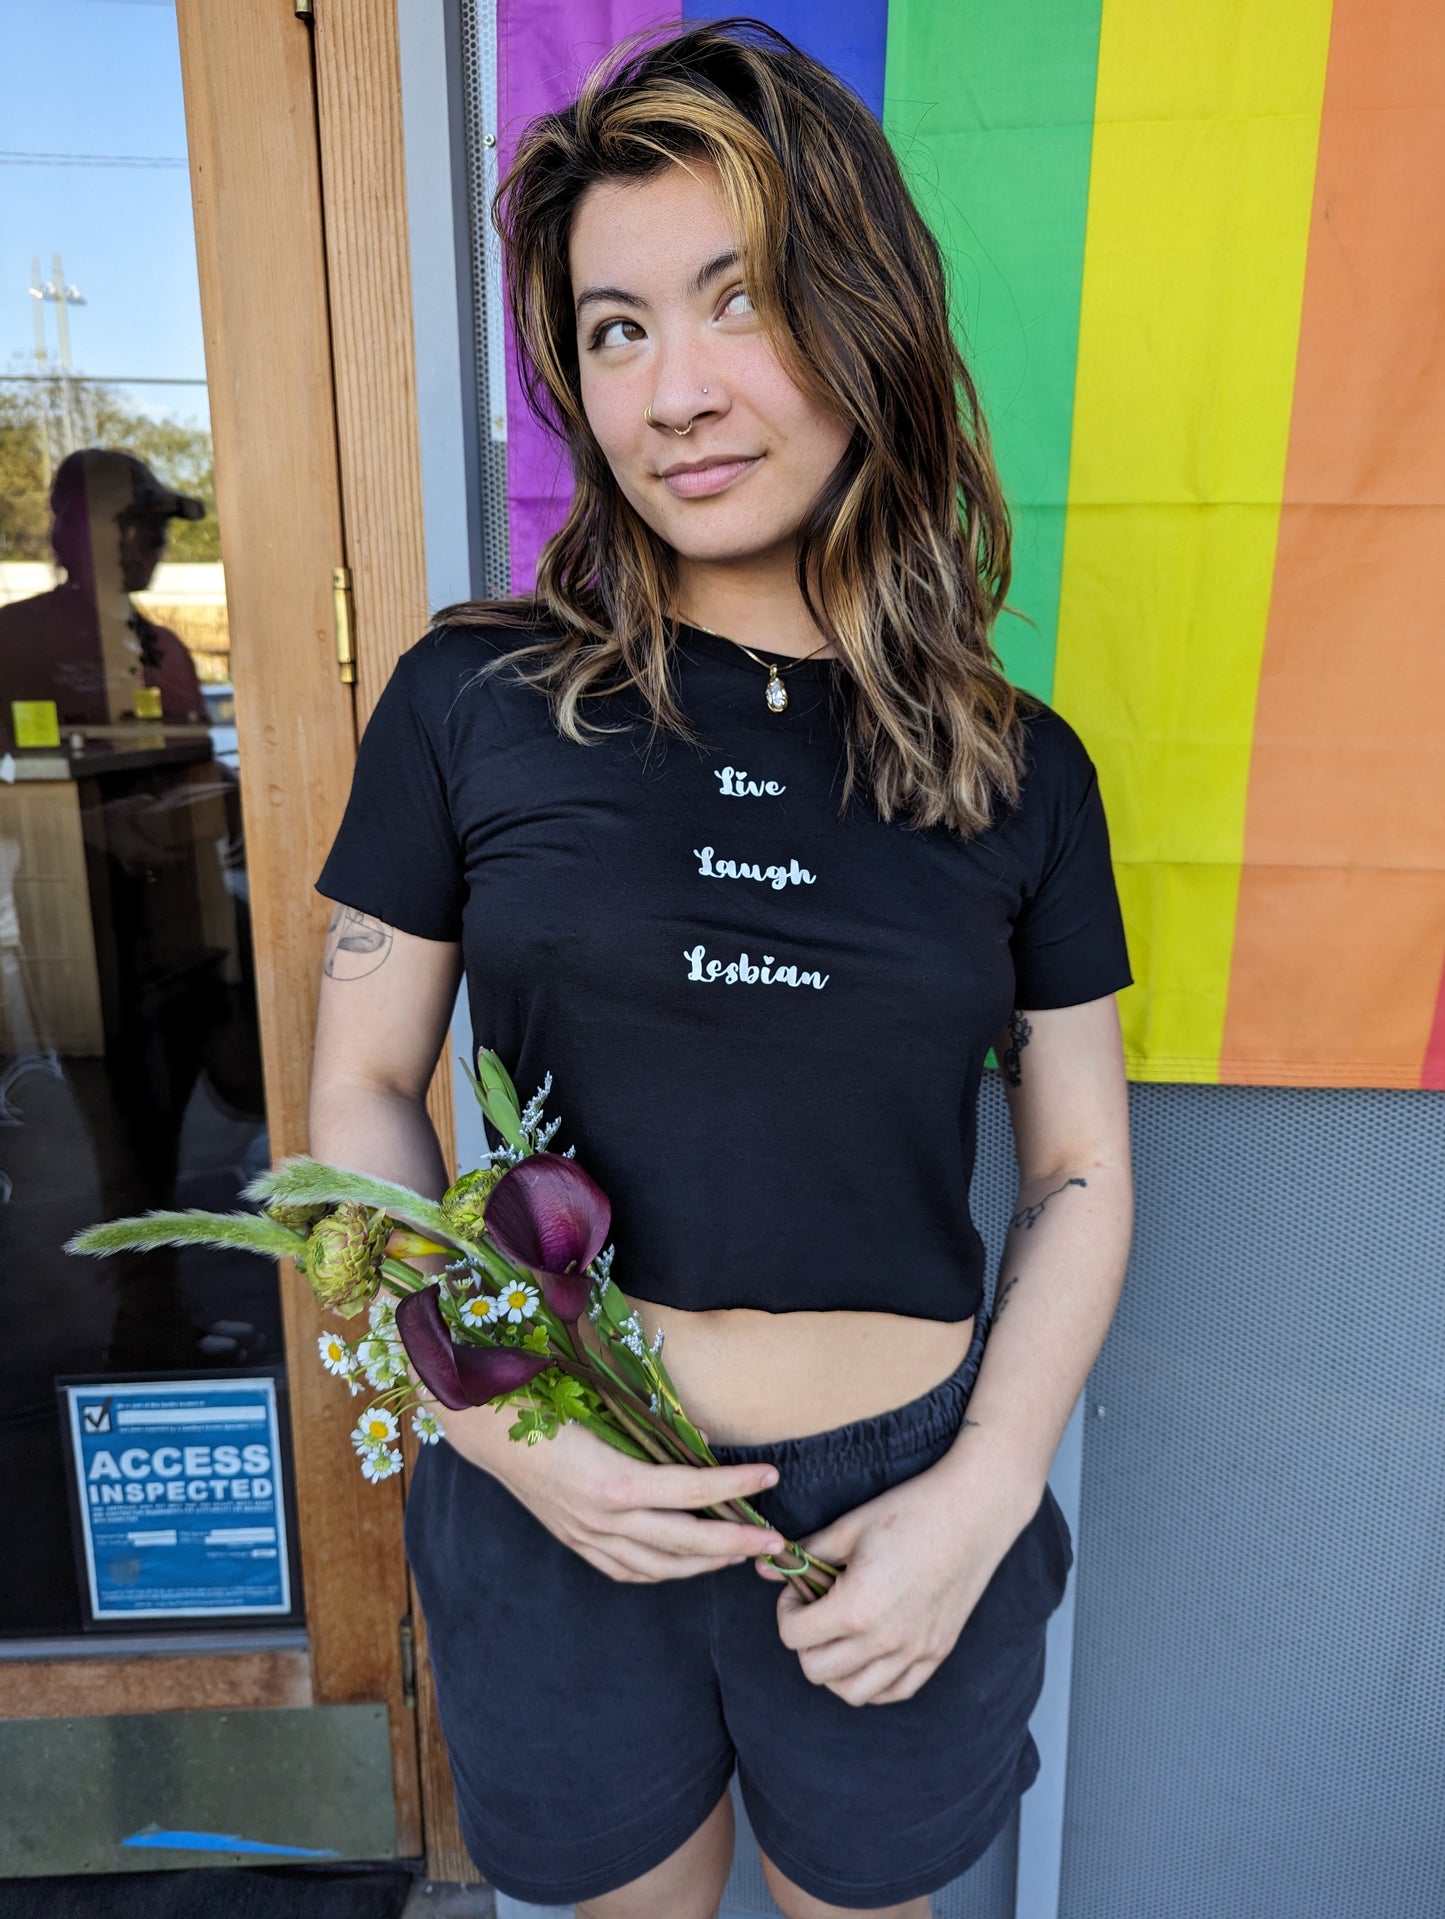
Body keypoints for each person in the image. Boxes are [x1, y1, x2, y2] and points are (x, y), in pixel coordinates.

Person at [310, 20, 1134, 1919]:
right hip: (561, 1470)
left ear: (864, 318)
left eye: (737, 301)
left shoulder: (1019, 767)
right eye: (614, 328)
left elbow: (1083, 1165)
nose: (673, 388)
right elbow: (359, 1092)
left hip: (903, 1495)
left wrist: (989, 1484)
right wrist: (497, 1417)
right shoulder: (471, 702)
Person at [0, 446, 207, 749]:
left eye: (159, 527)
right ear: (73, 531)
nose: (155, 544)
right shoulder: (17, 639)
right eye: (132, 524)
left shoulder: (166, 651)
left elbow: (197, 765)